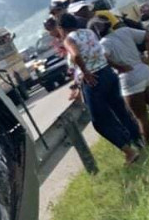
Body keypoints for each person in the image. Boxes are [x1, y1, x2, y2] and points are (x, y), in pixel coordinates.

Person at [59, 12, 142, 164]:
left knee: (100, 121)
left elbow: (76, 56)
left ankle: (129, 151)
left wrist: (86, 72)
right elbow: (99, 53)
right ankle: (138, 140)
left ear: (62, 28)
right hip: (107, 73)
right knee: (120, 110)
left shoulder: (69, 39)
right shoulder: (89, 32)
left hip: (94, 80)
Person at [90, 16, 149, 145]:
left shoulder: (103, 44)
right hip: (145, 71)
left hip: (129, 79)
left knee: (141, 117)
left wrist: (119, 67)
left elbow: (104, 58)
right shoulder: (125, 31)